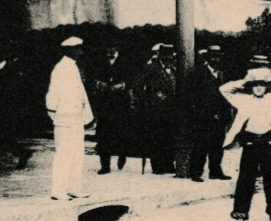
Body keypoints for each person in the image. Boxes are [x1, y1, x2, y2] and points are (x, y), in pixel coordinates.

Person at [220, 65, 271, 221]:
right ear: (251, 87)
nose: (259, 88)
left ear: (266, 86)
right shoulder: (243, 99)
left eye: (262, 84)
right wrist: (244, 81)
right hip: (250, 142)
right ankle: (240, 215)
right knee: (245, 179)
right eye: (256, 85)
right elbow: (224, 89)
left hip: (269, 142)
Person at [46, 37, 94, 201]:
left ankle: (74, 188)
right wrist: (56, 116)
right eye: (78, 48)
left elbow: (81, 94)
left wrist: (87, 116)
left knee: (77, 155)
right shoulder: (61, 68)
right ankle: (58, 190)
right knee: (64, 156)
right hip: (65, 121)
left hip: (76, 120)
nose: (81, 52)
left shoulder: (73, 67)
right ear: (70, 50)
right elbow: (52, 95)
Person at [185, 45, 232, 182]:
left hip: (220, 117)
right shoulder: (198, 74)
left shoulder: (222, 75)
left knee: (218, 145)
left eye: (217, 56)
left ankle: (215, 171)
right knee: (201, 145)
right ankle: (196, 172)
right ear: (207, 58)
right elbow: (191, 97)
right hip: (204, 117)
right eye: (212, 56)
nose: (215, 59)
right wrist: (200, 114)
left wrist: (226, 114)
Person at [136, 43, 178, 174]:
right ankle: (157, 166)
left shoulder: (175, 69)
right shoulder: (151, 68)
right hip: (155, 110)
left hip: (171, 109)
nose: (168, 57)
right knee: (156, 138)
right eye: (165, 54)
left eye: (170, 55)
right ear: (160, 55)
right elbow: (137, 86)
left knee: (170, 137)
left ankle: (169, 164)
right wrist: (148, 100)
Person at [92, 44, 133, 174]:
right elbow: (91, 78)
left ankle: (122, 155)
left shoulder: (126, 62)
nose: (110, 50)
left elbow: (132, 80)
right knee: (103, 135)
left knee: (121, 133)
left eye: (113, 48)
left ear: (117, 49)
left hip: (120, 104)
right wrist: (99, 84)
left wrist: (121, 85)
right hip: (104, 104)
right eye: (108, 47)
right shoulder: (100, 61)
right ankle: (105, 166)